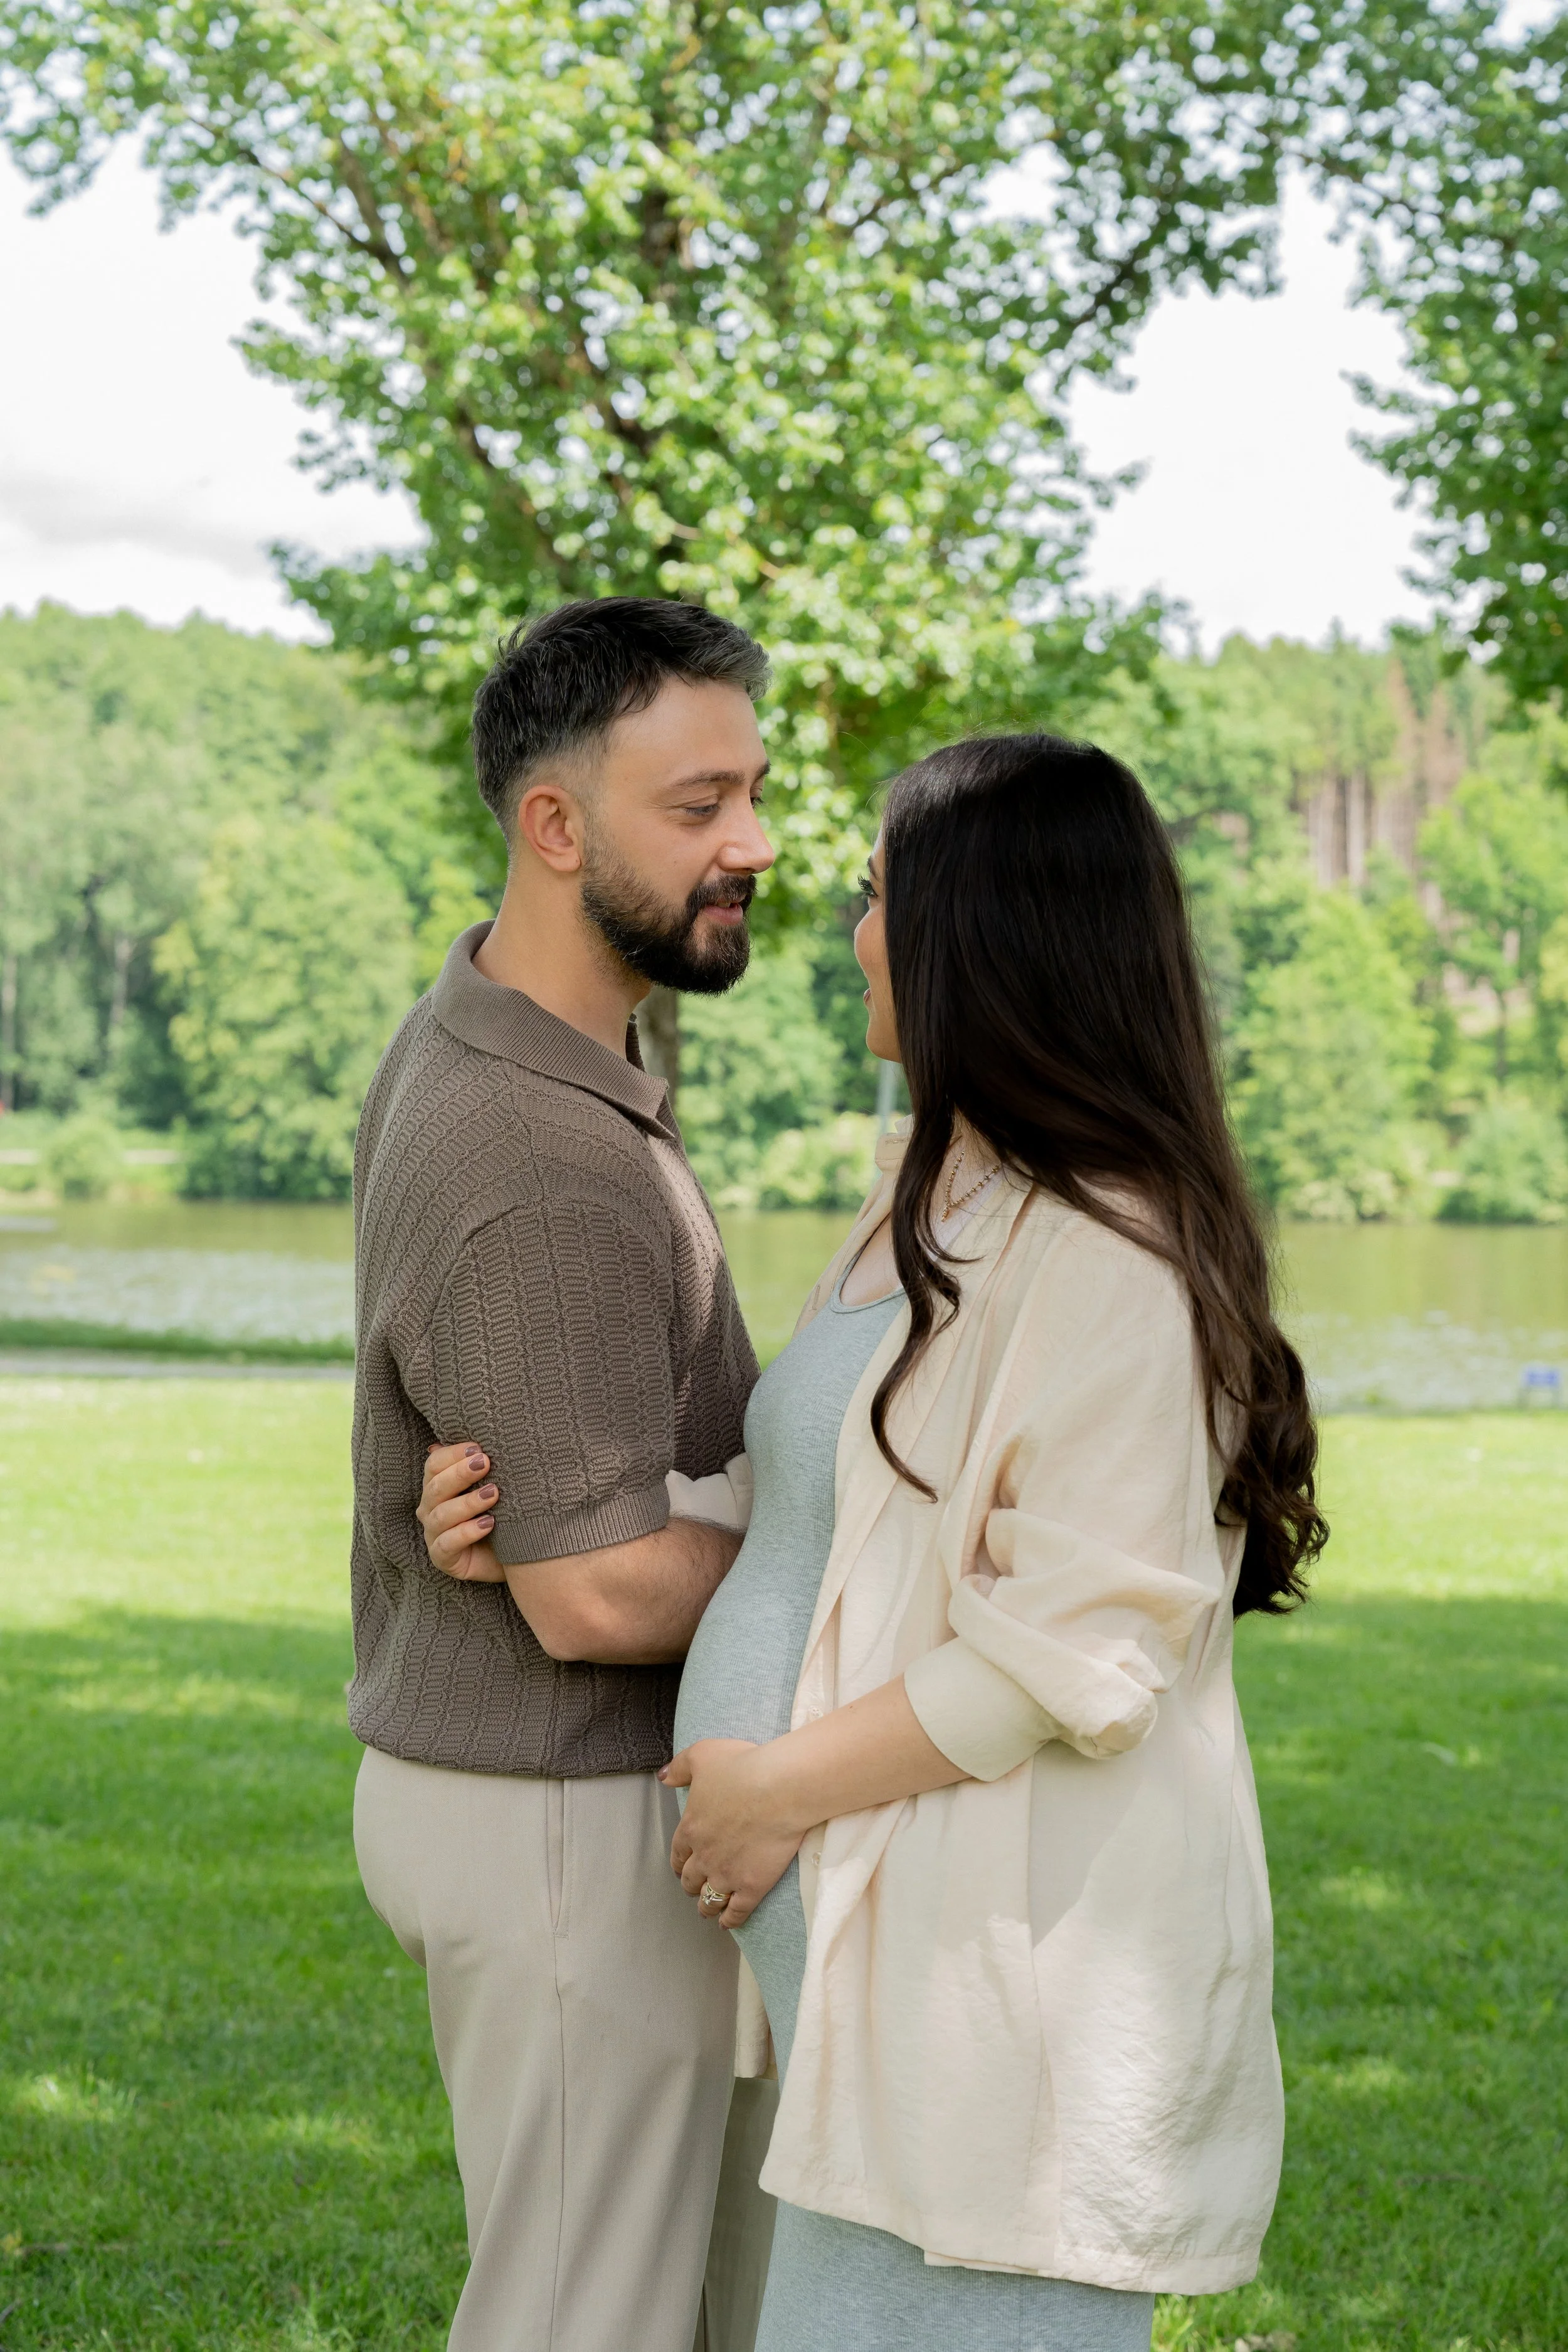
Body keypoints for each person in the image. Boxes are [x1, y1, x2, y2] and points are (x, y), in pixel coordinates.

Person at [421, 733, 1326, 2348]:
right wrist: (547, 1528)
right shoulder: (936, 1190)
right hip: (870, 1995)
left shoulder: (1110, 1248)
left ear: (984, 932)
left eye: (875, 895)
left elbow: (1084, 1646)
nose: (843, 930)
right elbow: (829, 1510)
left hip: (999, 1999)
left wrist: (774, 1787)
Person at [349, 596, 780, 2352]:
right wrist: (859, 1538)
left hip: (543, 1796)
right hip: (561, 1812)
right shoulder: (537, 1145)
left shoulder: (508, 1044)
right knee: (579, 2322)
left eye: (751, 791)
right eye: (697, 805)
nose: (751, 841)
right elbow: (595, 1588)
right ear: (553, 825)